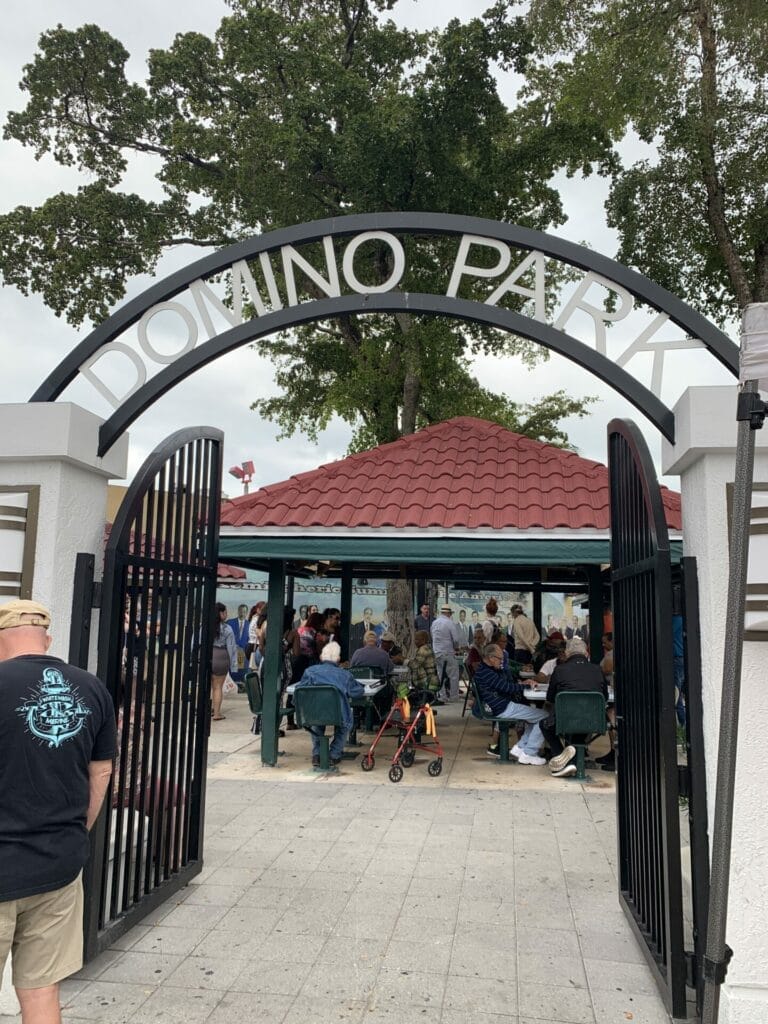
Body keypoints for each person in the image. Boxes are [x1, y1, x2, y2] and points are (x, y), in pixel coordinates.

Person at [0, 600, 116, 1024]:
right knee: (42, 989)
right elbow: (101, 772)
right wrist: (76, 830)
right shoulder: (90, 688)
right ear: (47, 640)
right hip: (59, 864)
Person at [540, 637, 609, 777]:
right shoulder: (597, 670)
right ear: (586, 653)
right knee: (580, 726)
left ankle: (562, 757)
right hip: (594, 720)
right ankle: (570, 759)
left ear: (567, 653)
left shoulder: (559, 670)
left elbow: (550, 698)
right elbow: (605, 697)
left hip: (565, 719)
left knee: (545, 724)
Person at [474, 643, 548, 764]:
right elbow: (506, 688)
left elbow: (506, 685)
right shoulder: (487, 673)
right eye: (500, 659)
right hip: (503, 708)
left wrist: (522, 684)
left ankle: (520, 748)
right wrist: (526, 685)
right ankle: (529, 753)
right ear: (491, 658)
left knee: (536, 717)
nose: (502, 662)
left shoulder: (485, 670)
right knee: (544, 717)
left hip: (501, 706)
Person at [294, 641, 365, 767]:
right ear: (338, 659)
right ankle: (334, 754)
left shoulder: (310, 672)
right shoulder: (345, 675)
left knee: (317, 723)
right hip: (338, 715)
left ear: (321, 657)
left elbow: (300, 691)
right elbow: (358, 692)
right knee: (345, 725)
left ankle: (317, 754)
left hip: (314, 714)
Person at [211, 603, 238, 721]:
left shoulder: (205, 626)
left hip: (209, 654)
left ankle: (207, 709)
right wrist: (234, 666)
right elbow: (231, 648)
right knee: (217, 687)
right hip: (221, 656)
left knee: (207, 686)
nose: (226, 614)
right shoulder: (227, 629)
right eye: (225, 612)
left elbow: (195, 641)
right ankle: (217, 713)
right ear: (221, 613)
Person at [430, 604, 463, 701]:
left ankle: (442, 696)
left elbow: (433, 637)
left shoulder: (434, 623)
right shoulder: (449, 623)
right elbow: (456, 640)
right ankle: (454, 696)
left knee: (441, 675)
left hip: (437, 652)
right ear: (449, 613)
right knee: (453, 674)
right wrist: (456, 648)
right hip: (447, 652)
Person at [410, 629, 439, 697]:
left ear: (423, 640)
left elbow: (415, 665)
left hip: (428, 682)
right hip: (431, 680)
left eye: (417, 640)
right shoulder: (426, 648)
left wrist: (403, 660)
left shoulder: (423, 650)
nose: (415, 642)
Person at [227, 603, 250, 685]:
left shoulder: (249, 624)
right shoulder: (230, 623)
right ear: (238, 611)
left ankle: (242, 686)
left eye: (244, 612)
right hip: (232, 652)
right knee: (232, 672)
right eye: (240, 611)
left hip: (244, 653)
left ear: (247, 612)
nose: (242, 613)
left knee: (242, 672)